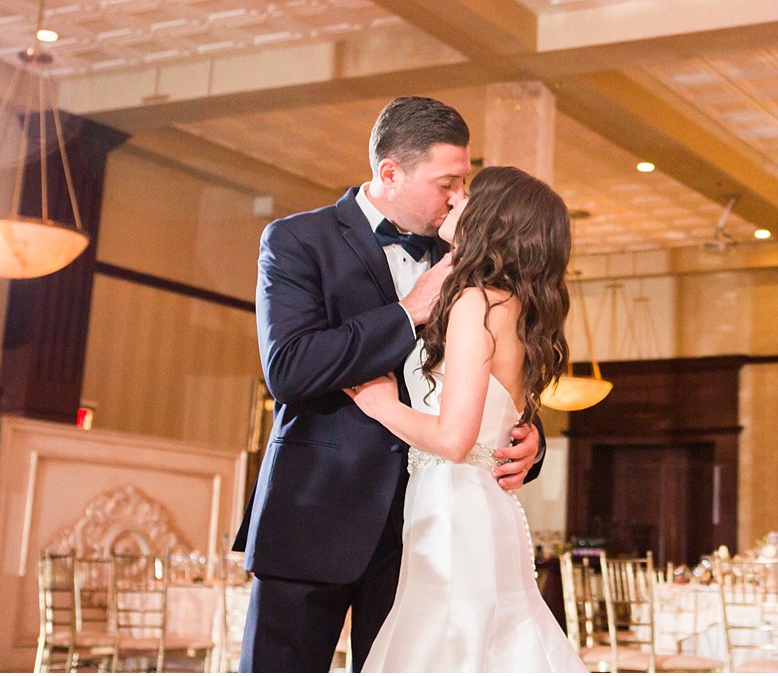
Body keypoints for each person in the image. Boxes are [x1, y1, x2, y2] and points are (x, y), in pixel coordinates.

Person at [234, 97, 544, 672]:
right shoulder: (299, 240)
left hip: (423, 534)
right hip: (315, 511)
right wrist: (406, 313)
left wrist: (527, 437)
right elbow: (290, 367)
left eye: (463, 183)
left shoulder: (464, 256)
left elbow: (485, 370)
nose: (457, 198)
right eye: (445, 183)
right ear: (390, 172)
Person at [347, 165, 585, 672]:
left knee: (447, 644)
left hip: (453, 506)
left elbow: (454, 440)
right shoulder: (516, 307)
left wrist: (381, 405)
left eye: (467, 195)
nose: (455, 199)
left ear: (493, 220)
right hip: (481, 505)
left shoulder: (475, 301)